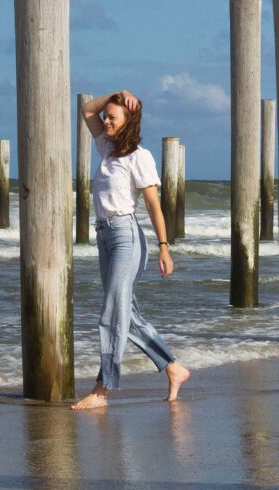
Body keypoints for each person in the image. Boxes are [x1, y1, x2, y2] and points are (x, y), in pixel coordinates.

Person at [71, 90, 190, 410]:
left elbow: (153, 205)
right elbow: (86, 111)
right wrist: (115, 94)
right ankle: (173, 368)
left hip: (127, 237)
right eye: (106, 117)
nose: (106, 121)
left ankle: (102, 389)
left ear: (128, 123)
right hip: (104, 236)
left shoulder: (140, 156)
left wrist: (164, 247)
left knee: (112, 311)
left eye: (113, 117)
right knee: (127, 312)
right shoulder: (106, 149)